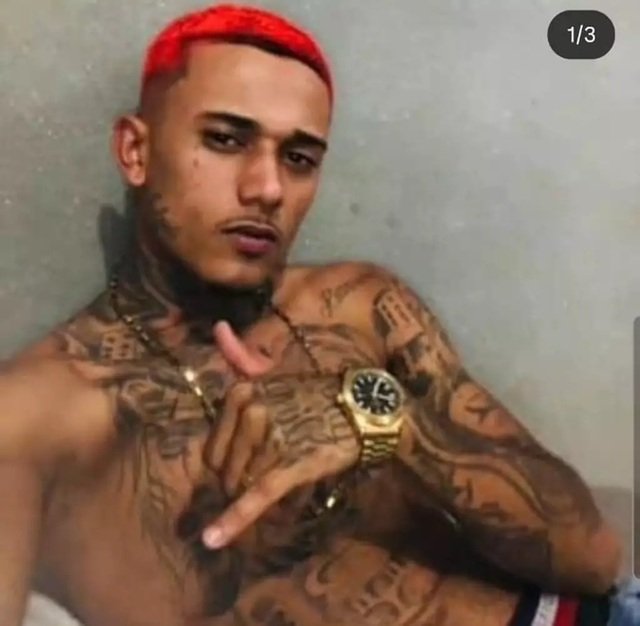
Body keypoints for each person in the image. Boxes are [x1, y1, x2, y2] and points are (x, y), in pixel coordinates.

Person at [0, 4, 630, 626]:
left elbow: (596, 560)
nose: (268, 188)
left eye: (299, 158)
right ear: (135, 151)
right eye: (225, 140)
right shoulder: (35, 418)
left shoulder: (361, 305)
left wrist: (388, 424)